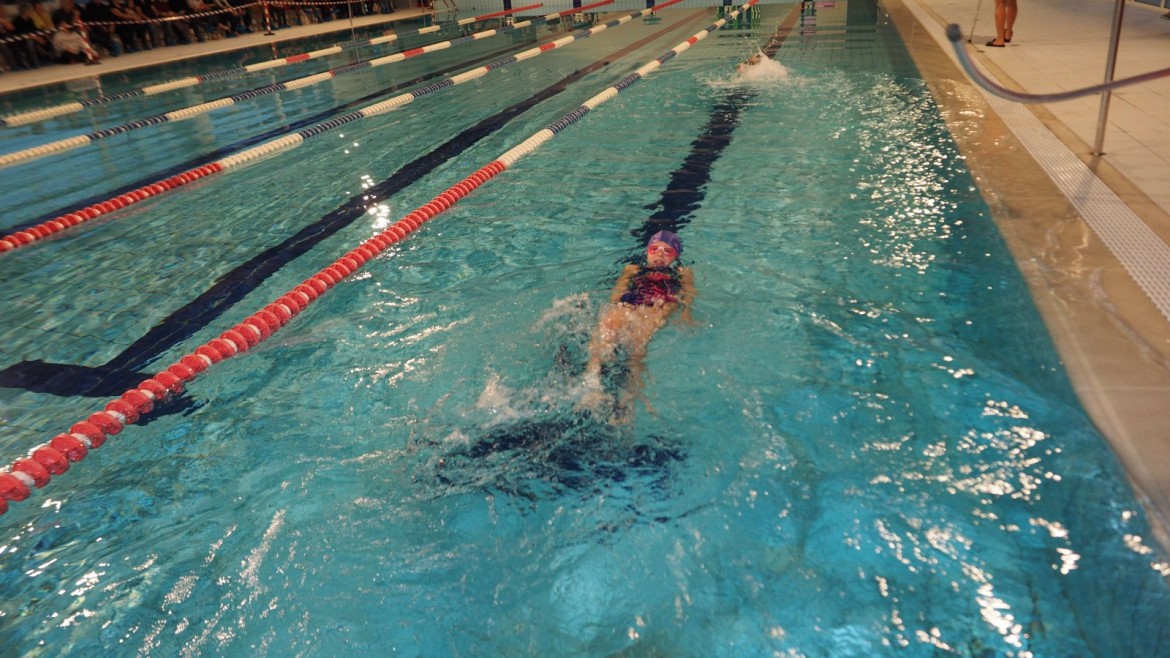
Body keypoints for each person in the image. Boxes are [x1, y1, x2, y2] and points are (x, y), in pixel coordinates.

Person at [581, 230, 695, 419]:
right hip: (632, 300)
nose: (659, 255)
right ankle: (592, 378)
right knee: (607, 325)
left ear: (676, 256)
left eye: (667, 251)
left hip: (660, 304)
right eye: (654, 249)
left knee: (637, 344)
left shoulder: (683, 272)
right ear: (647, 251)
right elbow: (619, 289)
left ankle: (629, 398)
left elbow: (689, 293)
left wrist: (686, 312)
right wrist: (615, 307)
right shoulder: (633, 268)